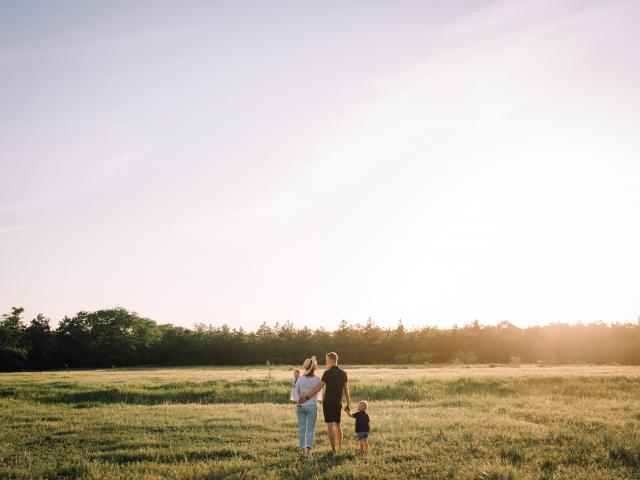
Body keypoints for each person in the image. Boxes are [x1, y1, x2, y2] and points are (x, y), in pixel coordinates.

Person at [299, 352, 350, 454]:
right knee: (338, 425)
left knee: (330, 426)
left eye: (326, 360)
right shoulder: (343, 373)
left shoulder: (327, 373)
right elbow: (346, 390)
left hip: (328, 402)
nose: (326, 362)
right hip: (337, 402)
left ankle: (333, 450)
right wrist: (348, 404)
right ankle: (340, 448)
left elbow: (318, 388)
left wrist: (307, 397)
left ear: (331, 360)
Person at [293, 356, 322, 457]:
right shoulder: (318, 379)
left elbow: (295, 392)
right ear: (314, 367)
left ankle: (303, 451)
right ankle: (309, 452)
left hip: (300, 407)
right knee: (310, 429)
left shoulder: (300, 379)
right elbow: (319, 395)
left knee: (302, 429)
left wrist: (298, 401)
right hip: (312, 407)